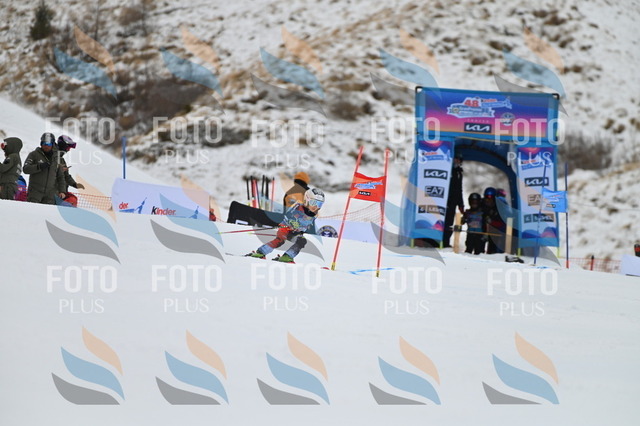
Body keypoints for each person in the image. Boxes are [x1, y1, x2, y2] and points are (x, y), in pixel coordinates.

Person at [248, 188, 324, 263]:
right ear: (307, 200)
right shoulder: (298, 207)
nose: (316, 206)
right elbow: (288, 215)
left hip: (296, 232)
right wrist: (292, 222)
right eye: (314, 202)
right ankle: (261, 252)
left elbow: (307, 225)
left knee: (302, 241)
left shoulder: (314, 215)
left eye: (319, 204)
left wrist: (303, 229)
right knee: (280, 240)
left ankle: (287, 256)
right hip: (286, 228)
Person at [23, 133, 66, 204]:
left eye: (49, 144)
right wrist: (39, 166)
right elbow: (26, 169)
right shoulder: (34, 154)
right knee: (32, 210)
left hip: (50, 195)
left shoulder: (56, 158)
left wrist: (62, 191)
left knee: (47, 211)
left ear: (52, 144)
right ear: (41, 144)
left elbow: (60, 176)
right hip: (35, 193)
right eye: (44, 143)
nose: (46, 146)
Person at [442, 152, 464, 247]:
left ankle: (445, 242)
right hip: (443, 200)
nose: (457, 161)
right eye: (456, 159)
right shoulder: (446, 169)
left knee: (449, 223)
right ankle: (437, 241)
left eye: (459, 160)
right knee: (441, 221)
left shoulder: (459, 172)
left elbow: (459, 189)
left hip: (453, 202)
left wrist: (461, 204)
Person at [56, 135, 85, 206]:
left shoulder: (61, 160)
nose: (68, 150)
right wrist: (59, 169)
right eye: (68, 148)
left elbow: (66, 176)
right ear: (63, 146)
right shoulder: (52, 157)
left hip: (62, 192)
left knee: (73, 199)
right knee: (70, 201)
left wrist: (75, 184)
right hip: (54, 192)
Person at [482, 187, 505, 254]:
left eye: (491, 198)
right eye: (487, 198)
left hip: (496, 231)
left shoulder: (499, 207)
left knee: (494, 247)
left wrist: (492, 222)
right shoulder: (482, 205)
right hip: (483, 230)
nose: (489, 201)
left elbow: (502, 222)